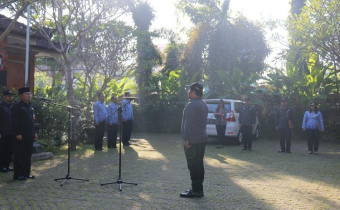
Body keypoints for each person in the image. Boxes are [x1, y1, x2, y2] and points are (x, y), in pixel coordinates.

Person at [180, 82, 208, 198]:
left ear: (193, 92)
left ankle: (196, 190)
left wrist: (186, 139)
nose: (188, 92)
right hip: (201, 139)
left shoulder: (191, 106)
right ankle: (198, 188)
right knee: (199, 165)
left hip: (192, 141)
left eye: (189, 90)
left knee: (193, 166)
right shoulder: (203, 104)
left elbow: (188, 124)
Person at [11, 87, 38, 180]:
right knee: (19, 155)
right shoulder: (17, 107)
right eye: (27, 94)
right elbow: (15, 122)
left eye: (30, 94)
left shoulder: (30, 106)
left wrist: (34, 133)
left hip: (29, 135)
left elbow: (32, 121)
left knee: (27, 155)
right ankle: (18, 174)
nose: (29, 96)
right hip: (20, 135)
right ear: (21, 96)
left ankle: (26, 173)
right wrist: (17, 133)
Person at [0, 90, 15, 173]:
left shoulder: (12, 106)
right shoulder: (1, 106)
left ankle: (7, 165)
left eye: (11, 95)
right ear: (4, 96)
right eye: (9, 95)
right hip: (3, 133)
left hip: (11, 132)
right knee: (2, 150)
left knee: (10, 150)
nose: (10, 97)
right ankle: (2, 166)